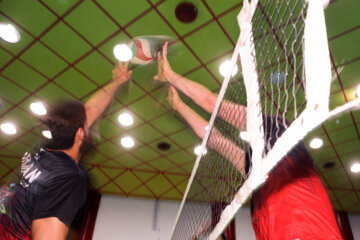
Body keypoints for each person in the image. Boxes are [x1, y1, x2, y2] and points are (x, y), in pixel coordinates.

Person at [156, 43, 343, 239]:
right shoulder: (280, 138)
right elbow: (212, 106)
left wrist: (178, 106)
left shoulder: (258, 172)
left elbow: (214, 139)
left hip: (270, 198)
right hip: (285, 181)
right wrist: (170, 77)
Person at [0, 62, 132, 240]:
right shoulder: (68, 178)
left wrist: (116, 82)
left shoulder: (41, 146)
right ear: (80, 134)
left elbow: (90, 110)